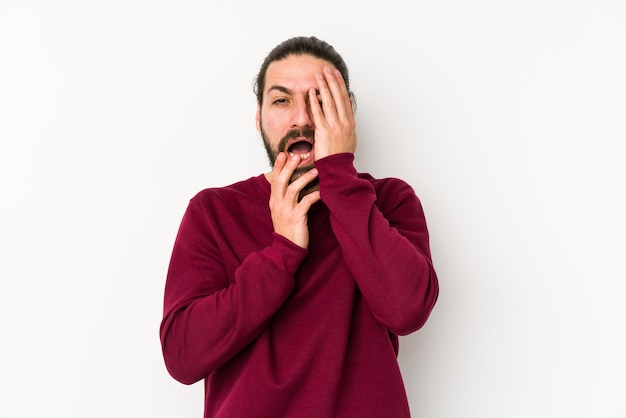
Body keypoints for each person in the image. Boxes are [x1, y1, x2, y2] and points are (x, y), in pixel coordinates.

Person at [160, 36, 439, 418]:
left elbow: (407, 311)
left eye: (321, 100)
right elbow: (182, 357)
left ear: (348, 114)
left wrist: (340, 178)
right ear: (259, 116)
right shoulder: (214, 211)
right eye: (281, 100)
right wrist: (282, 254)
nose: (303, 118)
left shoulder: (389, 201)